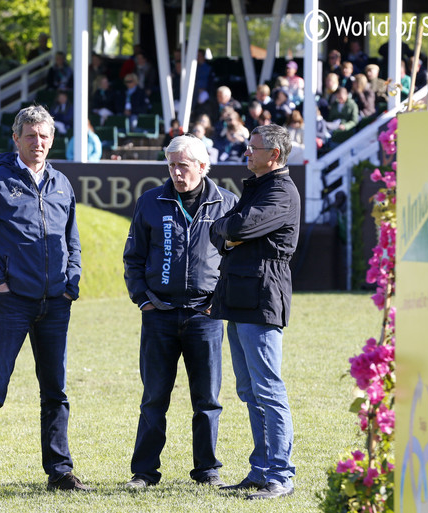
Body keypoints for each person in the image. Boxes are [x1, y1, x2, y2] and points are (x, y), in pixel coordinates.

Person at [0, 105, 89, 495]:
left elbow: (72, 240)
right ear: (16, 139)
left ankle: (60, 472)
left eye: (45, 137)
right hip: (11, 302)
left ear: (52, 140)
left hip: (55, 304)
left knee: (56, 391)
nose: (38, 143)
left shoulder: (62, 183)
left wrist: (72, 282)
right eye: (31, 136)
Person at [123, 134, 238, 489]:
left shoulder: (227, 204)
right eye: (171, 165)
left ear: (203, 167)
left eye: (183, 165)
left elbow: (236, 262)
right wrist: (143, 299)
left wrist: (217, 303)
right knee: (154, 397)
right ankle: (144, 473)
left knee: (207, 400)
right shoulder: (150, 201)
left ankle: (207, 470)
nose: (176, 172)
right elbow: (134, 258)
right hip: (158, 314)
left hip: (205, 317)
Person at [210, 124, 299, 500]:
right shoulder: (259, 187)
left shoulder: (281, 191)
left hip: (262, 299)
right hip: (241, 297)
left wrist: (232, 232)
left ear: (274, 155)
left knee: (268, 389)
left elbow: (241, 225)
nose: (246, 152)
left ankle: (280, 475)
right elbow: (222, 231)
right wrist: (230, 232)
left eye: (253, 148)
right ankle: (260, 470)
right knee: (249, 390)